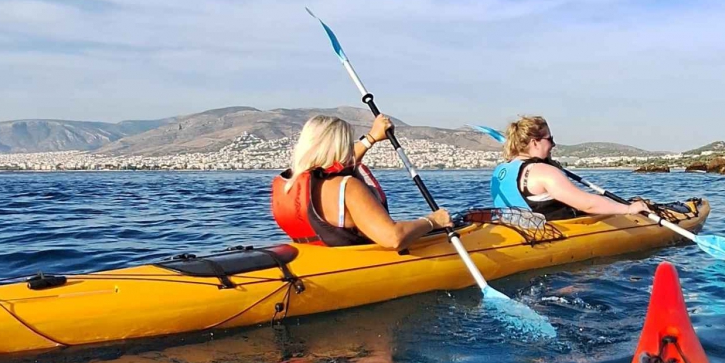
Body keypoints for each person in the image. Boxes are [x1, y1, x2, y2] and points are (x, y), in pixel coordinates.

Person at [272, 114, 451, 249]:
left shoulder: (289, 184)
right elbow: (393, 238)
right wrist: (433, 221)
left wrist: (372, 137)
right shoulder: (347, 186)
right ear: (340, 147)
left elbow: (342, 162)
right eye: (347, 143)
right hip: (354, 263)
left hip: (314, 258)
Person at [490, 115, 652, 220]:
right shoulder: (544, 172)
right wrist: (629, 208)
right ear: (534, 142)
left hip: (511, 226)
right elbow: (587, 204)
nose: (553, 144)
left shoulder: (502, 170)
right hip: (548, 233)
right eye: (549, 139)